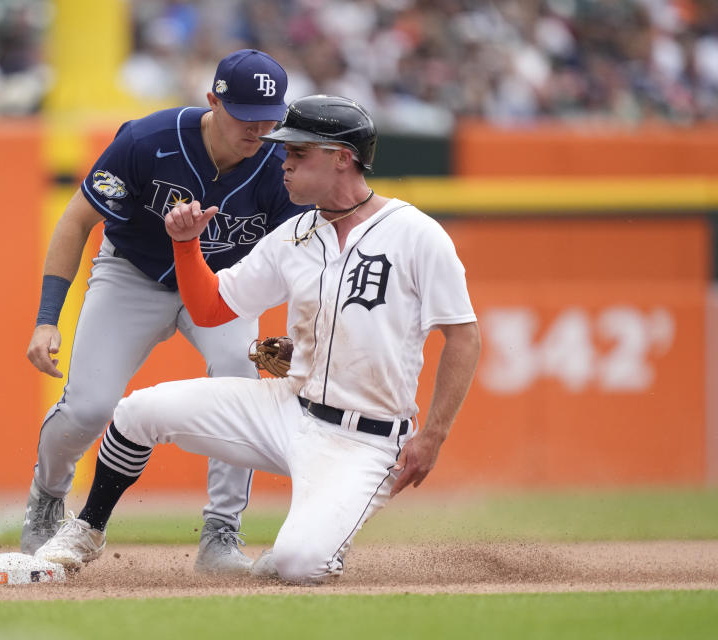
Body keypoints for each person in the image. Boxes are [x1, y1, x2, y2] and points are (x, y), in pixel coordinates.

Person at [33, 95, 481, 583]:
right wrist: (186, 246)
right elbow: (208, 309)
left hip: (363, 439)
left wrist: (433, 435)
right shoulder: (294, 236)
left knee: (298, 565)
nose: (283, 164)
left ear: (341, 158)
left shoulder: (417, 234)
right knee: (137, 412)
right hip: (289, 409)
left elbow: (463, 337)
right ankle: (88, 528)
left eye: (298, 154)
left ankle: (281, 549)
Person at [21, 49, 309, 574]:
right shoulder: (148, 140)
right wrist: (46, 318)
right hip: (134, 273)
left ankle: (221, 533)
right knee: (88, 407)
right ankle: (47, 496)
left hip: (221, 287)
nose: (259, 128)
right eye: (246, 115)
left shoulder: (279, 163)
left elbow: (303, 257)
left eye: (270, 117)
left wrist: (306, 334)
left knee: (239, 378)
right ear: (213, 101)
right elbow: (75, 221)